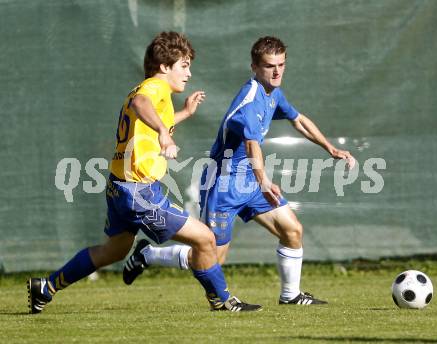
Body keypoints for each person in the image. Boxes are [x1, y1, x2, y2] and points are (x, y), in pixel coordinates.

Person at [27, 31, 262, 314]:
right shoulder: (154, 88)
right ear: (164, 67)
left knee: (112, 252)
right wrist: (165, 132)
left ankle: (46, 287)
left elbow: (144, 117)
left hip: (119, 186)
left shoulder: (147, 90)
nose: (189, 73)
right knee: (206, 238)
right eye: (184, 65)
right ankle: (222, 300)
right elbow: (142, 104)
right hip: (139, 191)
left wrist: (182, 115)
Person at [122, 36, 355, 305]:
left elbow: (299, 120)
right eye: (270, 66)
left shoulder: (273, 93)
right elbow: (251, 143)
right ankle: (148, 254)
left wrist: (331, 148)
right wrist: (265, 181)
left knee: (292, 230)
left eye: (281, 64)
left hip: (251, 182)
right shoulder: (251, 99)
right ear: (254, 67)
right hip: (224, 185)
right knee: (211, 257)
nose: (277, 71)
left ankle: (291, 295)